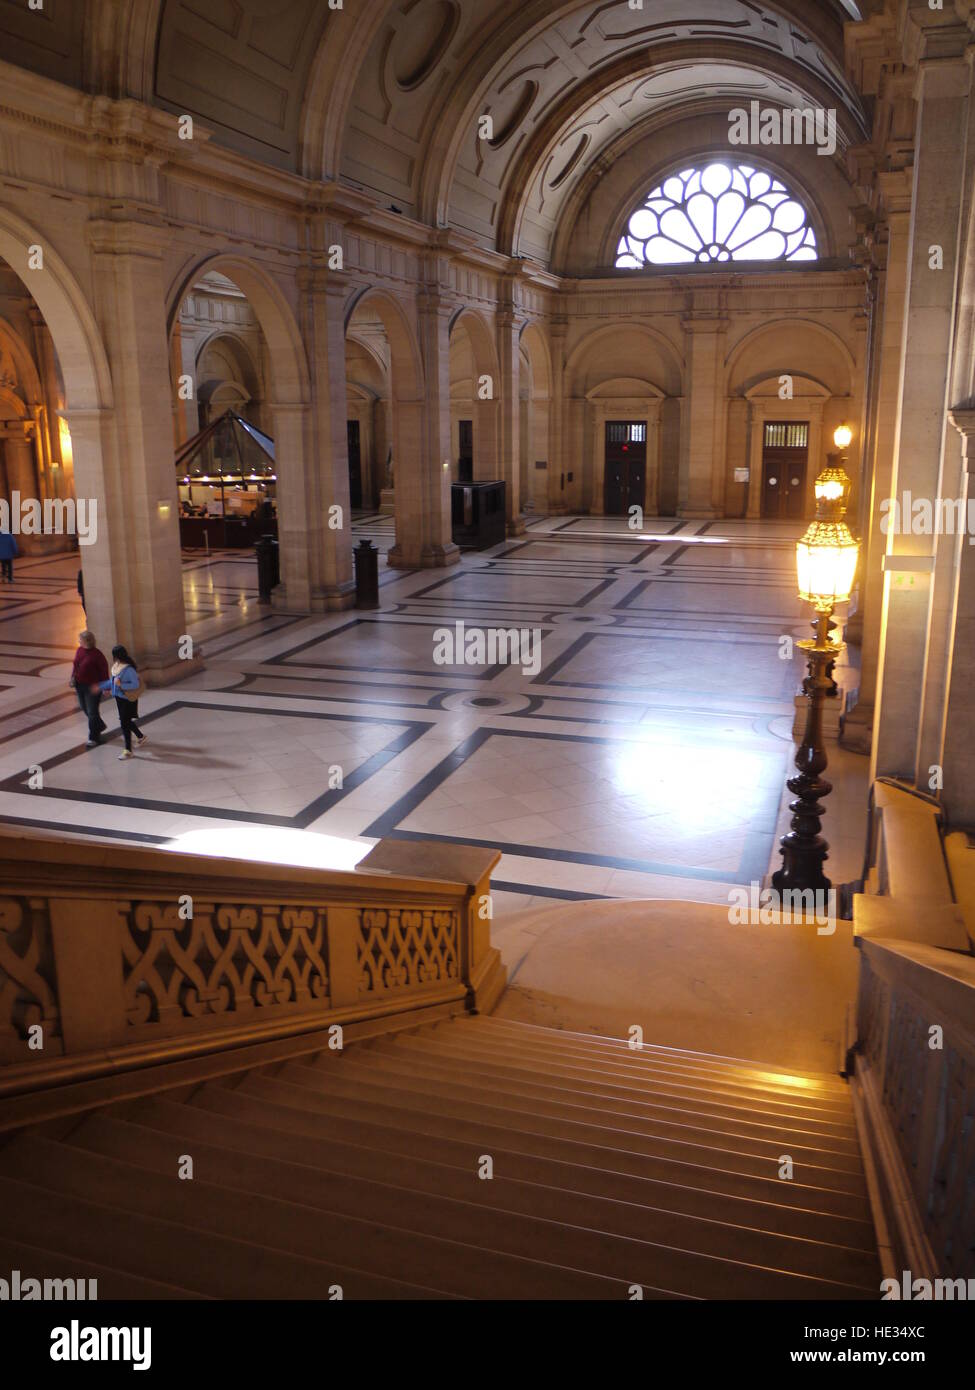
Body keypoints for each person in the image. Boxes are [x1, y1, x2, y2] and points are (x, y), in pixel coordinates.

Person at [94, 644, 148, 760]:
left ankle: (128, 750)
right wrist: (103, 687)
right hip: (119, 698)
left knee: (124, 723)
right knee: (126, 721)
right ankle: (141, 736)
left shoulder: (128, 670)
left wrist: (120, 685)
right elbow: (112, 682)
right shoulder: (116, 667)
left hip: (127, 699)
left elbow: (135, 684)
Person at [70, 631, 109, 748]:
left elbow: (104, 671)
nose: (78, 641)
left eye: (80, 639)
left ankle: (93, 737)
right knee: (84, 707)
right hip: (79, 684)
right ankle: (100, 725)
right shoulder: (79, 650)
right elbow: (76, 665)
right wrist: (72, 677)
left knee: (92, 712)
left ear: (87, 641)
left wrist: (105, 687)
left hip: (92, 687)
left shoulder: (97, 655)